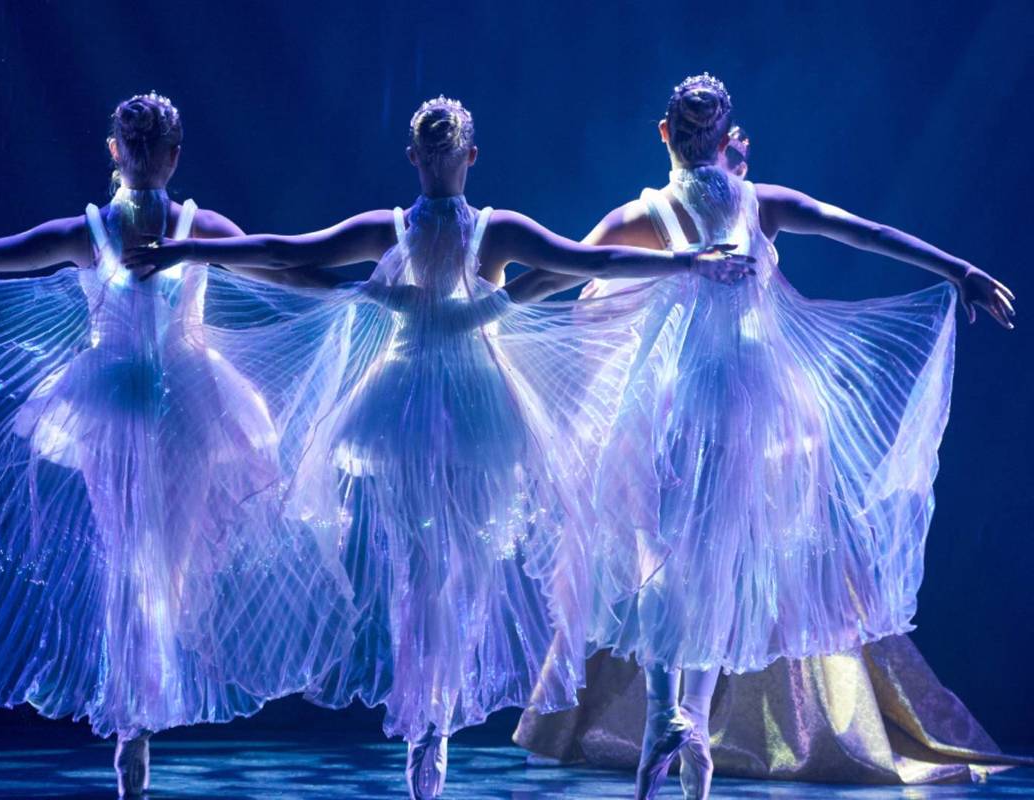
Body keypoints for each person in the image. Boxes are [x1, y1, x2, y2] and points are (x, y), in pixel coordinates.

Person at [125, 95, 753, 800]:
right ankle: (437, 715)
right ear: (469, 158)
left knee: (421, 564)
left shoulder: (392, 229)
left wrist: (185, 246)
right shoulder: (493, 231)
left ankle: (432, 719)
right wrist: (687, 264)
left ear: (415, 158)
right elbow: (587, 260)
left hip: (405, 404)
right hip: (474, 407)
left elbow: (282, 251)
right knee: (458, 565)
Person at [506, 74, 1014, 800]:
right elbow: (862, 231)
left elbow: (556, 274)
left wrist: (476, 309)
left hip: (676, 397)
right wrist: (956, 268)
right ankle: (689, 723)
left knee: (656, 551)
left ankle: (663, 717)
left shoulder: (644, 215)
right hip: (750, 398)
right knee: (720, 558)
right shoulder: (760, 203)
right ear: (726, 139)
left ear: (664, 134)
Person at [0, 92, 355, 799]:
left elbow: (278, 265)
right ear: (125, 152)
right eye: (135, 147)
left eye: (149, 148)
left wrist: (359, 289)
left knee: (164, 565)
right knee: (126, 559)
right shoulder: (95, 231)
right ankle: (132, 723)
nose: (142, 157)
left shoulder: (199, 227)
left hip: (188, 410)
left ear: (162, 155)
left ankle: (142, 700)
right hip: (114, 410)